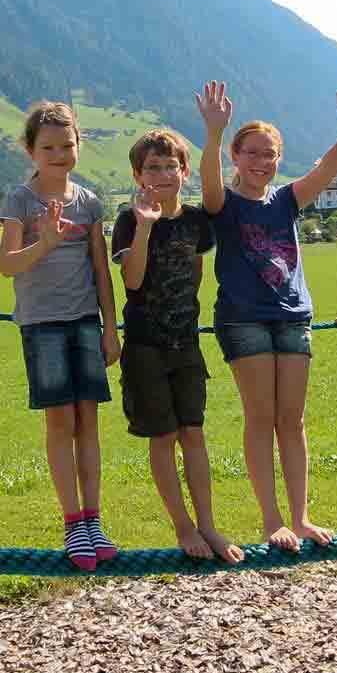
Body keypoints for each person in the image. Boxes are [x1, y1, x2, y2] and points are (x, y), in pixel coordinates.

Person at [197, 79, 337, 552]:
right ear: (235, 156)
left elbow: (327, 170)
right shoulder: (223, 203)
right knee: (260, 417)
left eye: (269, 154)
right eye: (251, 153)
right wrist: (213, 132)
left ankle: (301, 517)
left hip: (293, 316)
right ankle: (273, 521)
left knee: (292, 421)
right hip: (244, 320)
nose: (261, 161)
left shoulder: (287, 199)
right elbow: (209, 183)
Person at [0, 101, 121, 570]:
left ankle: (93, 520)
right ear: (30, 150)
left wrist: (110, 328)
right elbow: (7, 265)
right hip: (42, 323)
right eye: (48, 147)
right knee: (61, 423)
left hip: (85, 320)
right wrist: (45, 241)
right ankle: (72, 523)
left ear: (79, 146)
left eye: (67, 145)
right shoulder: (20, 201)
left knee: (88, 422)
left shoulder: (88, 202)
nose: (59, 155)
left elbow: (100, 270)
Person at [111, 128, 243, 564]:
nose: (163, 174)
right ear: (138, 175)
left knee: (194, 433)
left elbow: (196, 273)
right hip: (145, 346)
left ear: (185, 172)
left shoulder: (196, 222)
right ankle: (183, 526)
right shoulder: (128, 221)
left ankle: (208, 524)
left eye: (171, 166)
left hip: (185, 343)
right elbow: (132, 281)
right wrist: (146, 227)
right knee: (164, 436)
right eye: (153, 167)